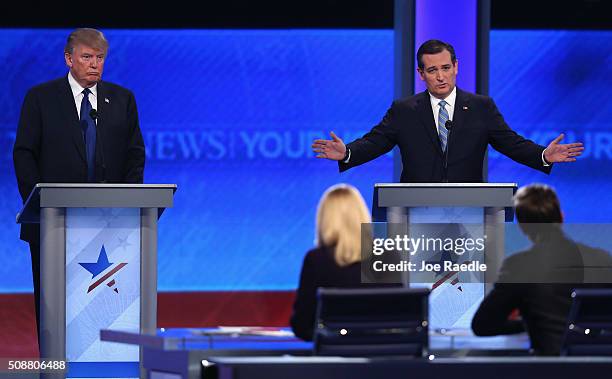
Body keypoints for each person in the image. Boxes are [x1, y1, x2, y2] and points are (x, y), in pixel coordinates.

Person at [13, 28, 145, 345]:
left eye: (100, 58)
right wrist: (41, 204)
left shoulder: (122, 99)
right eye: (87, 57)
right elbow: (24, 154)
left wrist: (125, 208)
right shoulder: (41, 98)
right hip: (53, 226)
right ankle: (54, 366)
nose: (94, 64)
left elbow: (134, 155)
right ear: (69, 59)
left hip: (110, 228)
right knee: (55, 313)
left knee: (104, 309)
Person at [312, 39, 584, 182]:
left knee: (465, 287)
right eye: (432, 70)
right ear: (421, 74)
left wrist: (543, 155)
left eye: (445, 68)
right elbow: (375, 142)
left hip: (469, 212)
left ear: (456, 67)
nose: (440, 76)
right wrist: (347, 153)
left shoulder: (481, 107)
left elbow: (511, 143)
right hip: (416, 212)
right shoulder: (404, 110)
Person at [471, 184, 612, 355]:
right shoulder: (602, 259)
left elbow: (483, 324)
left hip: (551, 370)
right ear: (561, 216)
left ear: (523, 227)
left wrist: (527, 322)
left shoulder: (518, 266)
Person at [290, 184, 374, 341]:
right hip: (383, 358)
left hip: (332, 358)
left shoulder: (315, 260)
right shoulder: (387, 255)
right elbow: (403, 319)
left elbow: (301, 325)